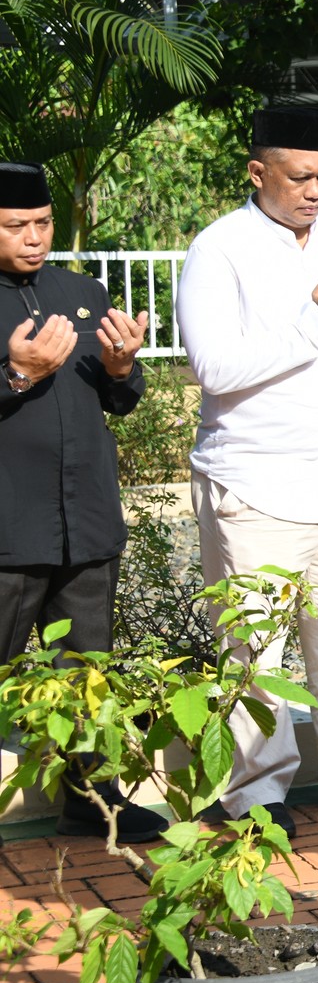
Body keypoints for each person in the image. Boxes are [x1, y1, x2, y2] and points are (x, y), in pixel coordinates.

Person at [178, 106, 318, 838]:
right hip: (257, 481)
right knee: (255, 646)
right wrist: (315, 321)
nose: (315, 190)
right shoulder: (219, 249)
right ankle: (257, 790)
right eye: (299, 176)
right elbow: (216, 367)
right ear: (257, 170)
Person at [0, 161, 159, 843]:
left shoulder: (80, 291)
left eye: (41, 224)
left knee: (88, 674)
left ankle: (95, 800)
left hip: (86, 522)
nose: (33, 238)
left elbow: (118, 396)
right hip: (9, 524)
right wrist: (16, 373)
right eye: (14, 226)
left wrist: (124, 366)